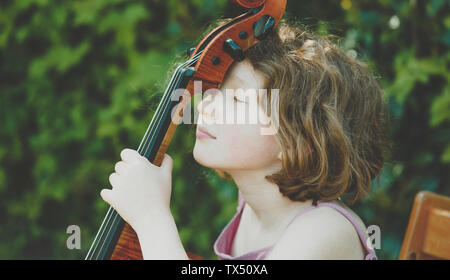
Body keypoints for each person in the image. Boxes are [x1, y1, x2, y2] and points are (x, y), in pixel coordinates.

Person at [100, 18, 391, 260]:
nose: (205, 105)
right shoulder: (253, 206)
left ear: (302, 140)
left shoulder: (323, 231)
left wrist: (152, 218)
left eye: (238, 98)